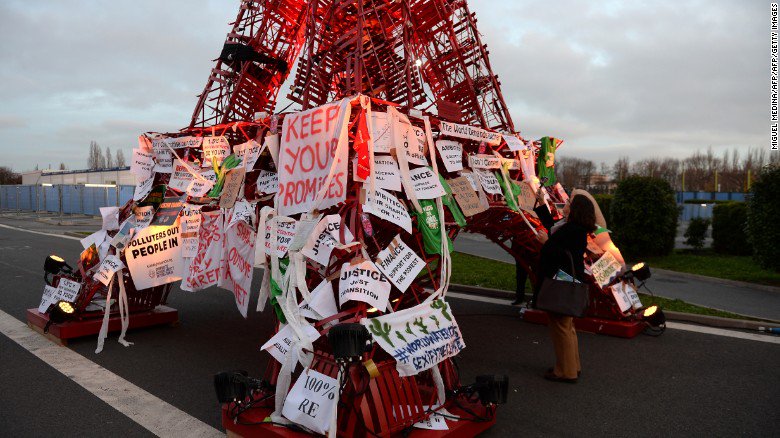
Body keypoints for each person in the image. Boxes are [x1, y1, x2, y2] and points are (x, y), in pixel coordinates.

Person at [534, 194, 597, 383]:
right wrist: (541, 203)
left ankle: (565, 372)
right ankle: (571, 366)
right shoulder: (570, 227)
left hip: (561, 281)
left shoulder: (574, 230)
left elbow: (562, 253)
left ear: (575, 209)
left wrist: (546, 243)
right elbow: (552, 227)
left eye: (569, 203)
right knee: (566, 327)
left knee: (561, 327)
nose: (565, 204)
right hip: (566, 280)